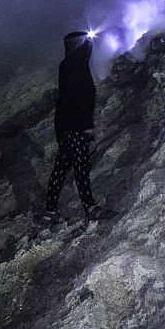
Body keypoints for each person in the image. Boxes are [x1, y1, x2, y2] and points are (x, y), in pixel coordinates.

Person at [44, 31, 115, 221]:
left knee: (61, 165)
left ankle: (50, 212)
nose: (90, 46)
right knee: (81, 164)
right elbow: (79, 98)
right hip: (73, 125)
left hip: (65, 125)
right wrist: (87, 128)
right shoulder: (76, 65)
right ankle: (90, 208)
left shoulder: (68, 64)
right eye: (86, 42)